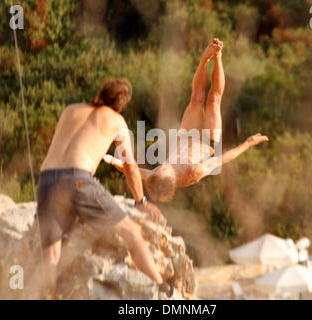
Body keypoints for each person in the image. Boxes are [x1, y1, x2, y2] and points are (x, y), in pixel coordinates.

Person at [32, 78, 164, 298]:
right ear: (122, 103)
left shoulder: (70, 110)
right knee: (133, 232)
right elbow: (130, 167)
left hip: (47, 179)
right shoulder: (117, 121)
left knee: (51, 256)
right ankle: (163, 289)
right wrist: (141, 201)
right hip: (77, 179)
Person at [103, 39, 269, 202]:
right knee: (213, 101)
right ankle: (218, 57)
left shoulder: (156, 176)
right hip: (208, 142)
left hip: (186, 135)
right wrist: (247, 144)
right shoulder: (193, 172)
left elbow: (132, 169)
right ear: (173, 181)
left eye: (160, 168)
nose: (163, 166)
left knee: (196, 98)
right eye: (165, 170)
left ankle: (205, 58)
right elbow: (222, 159)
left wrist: (114, 161)